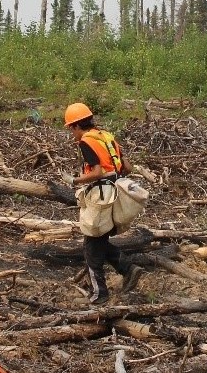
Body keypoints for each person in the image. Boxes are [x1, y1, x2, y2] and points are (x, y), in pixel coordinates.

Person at [64, 103, 144, 304]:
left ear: (75, 126)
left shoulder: (86, 142)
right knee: (99, 240)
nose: (72, 134)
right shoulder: (106, 136)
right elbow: (126, 167)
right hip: (114, 192)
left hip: (100, 196)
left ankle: (100, 294)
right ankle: (128, 268)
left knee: (91, 245)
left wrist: (74, 181)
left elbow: (97, 172)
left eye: (70, 130)